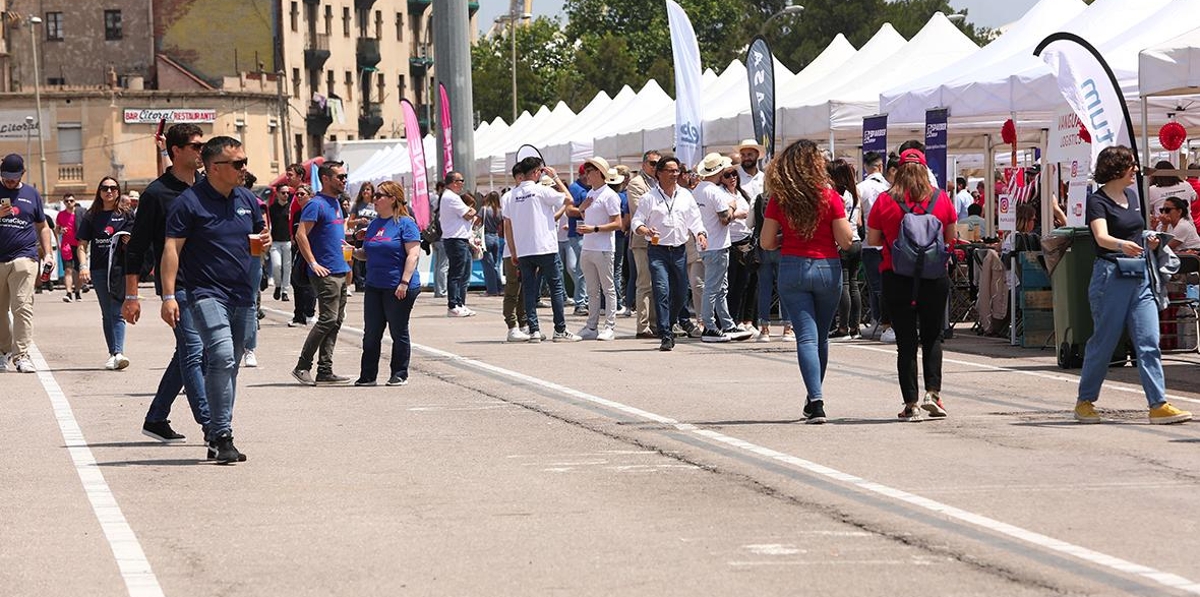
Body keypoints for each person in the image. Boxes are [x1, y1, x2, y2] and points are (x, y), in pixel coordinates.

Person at [160, 136, 268, 464]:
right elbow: (171, 249)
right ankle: (221, 434)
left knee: (230, 365)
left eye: (244, 162)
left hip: (242, 295)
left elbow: (259, 240)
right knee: (220, 357)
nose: (244, 169)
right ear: (215, 167)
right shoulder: (189, 202)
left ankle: (217, 433)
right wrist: (168, 296)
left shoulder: (247, 200)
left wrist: (263, 242)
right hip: (205, 293)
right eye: (238, 164)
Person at [1075, 146, 1192, 425]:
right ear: (1117, 169)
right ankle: (1085, 401)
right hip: (1110, 276)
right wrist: (1121, 245)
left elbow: (1135, 231)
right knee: (1104, 342)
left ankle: (1158, 404)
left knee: (1149, 341)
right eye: (1131, 165)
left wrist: (1148, 240)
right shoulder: (1097, 201)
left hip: (1140, 276)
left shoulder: (1132, 195)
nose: (1136, 170)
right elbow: (1101, 237)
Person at [122, 123, 211, 443]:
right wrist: (132, 295)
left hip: (210, 283)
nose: (202, 151)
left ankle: (156, 417)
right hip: (178, 285)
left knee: (190, 353)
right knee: (193, 349)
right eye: (195, 146)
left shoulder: (208, 186)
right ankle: (212, 425)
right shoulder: (156, 194)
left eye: (203, 145)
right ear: (175, 150)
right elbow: (137, 247)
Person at [760, 140, 853, 424]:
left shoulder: (781, 198)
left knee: (807, 337)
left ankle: (816, 399)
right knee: (821, 337)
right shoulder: (830, 195)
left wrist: (786, 238)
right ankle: (815, 396)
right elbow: (846, 241)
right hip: (826, 267)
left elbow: (765, 242)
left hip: (793, 267)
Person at [867, 147, 956, 422]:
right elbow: (951, 238)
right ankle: (933, 393)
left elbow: (872, 239)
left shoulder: (884, 200)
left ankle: (911, 404)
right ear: (925, 170)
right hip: (934, 277)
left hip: (896, 276)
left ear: (899, 170)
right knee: (932, 337)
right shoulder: (941, 199)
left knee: (906, 342)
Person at [631, 156, 708, 352]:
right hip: (658, 251)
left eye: (677, 171)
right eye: (670, 171)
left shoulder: (685, 196)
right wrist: (645, 230)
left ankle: (671, 322)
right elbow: (636, 221)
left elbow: (695, 219)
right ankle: (665, 334)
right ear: (659, 173)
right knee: (661, 290)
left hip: (680, 251)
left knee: (681, 294)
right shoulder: (649, 198)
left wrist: (700, 233)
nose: (675, 175)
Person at [503, 156, 580, 343]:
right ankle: (560, 329)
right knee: (556, 289)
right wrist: (556, 179)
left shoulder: (509, 195)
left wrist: (513, 251)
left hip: (524, 250)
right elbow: (569, 199)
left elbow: (508, 226)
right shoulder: (542, 190)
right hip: (545, 247)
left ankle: (534, 330)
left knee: (529, 291)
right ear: (537, 172)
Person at [353, 180, 421, 387]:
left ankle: (399, 373)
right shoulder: (373, 225)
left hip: (398, 285)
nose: (375, 199)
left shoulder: (405, 223)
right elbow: (367, 253)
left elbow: (413, 254)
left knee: (398, 330)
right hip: (375, 284)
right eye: (375, 195)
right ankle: (368, 375)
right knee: (371, 332)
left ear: (392, 199)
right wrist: (352, 252)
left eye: (379, 195)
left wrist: (404, 282)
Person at [292, 161, 354, 385]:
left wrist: (347, 255)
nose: (344, 180)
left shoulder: (336, 203)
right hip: (324, 272)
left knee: (336, 321)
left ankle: (325, 371)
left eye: (345, 176)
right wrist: (313, 263)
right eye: (339, 177)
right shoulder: (315, 204)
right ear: (325, 179)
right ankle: (302, 366)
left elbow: (331, 235)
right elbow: (301, 235)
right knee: (327, 319)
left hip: (339, 269)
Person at [0, 153, 53, 373]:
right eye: (6, 177)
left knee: (22, 307)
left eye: (14, 177)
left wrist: (48, 253)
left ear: (22, 173)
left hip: (25, 256)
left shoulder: (32, 194)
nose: (10, 182)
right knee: (0, 310)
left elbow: (43, 226)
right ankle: (3, 351)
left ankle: (21, 355)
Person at [77, 177, 134, 370]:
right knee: (106, 312)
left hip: (119, 269)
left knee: (116, 310)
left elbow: (136, 238)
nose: (108, 191)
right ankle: (113, 353)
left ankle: (118, 353)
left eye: (112, 188)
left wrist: (129, 241)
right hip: (99, 270)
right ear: (99, 192)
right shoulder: (91, 215)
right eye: (104, 188)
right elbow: (82, 245)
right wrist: (83, 266)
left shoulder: (126, 214)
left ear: (118, 192)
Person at [693, 153, 751, 342]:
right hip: (717, 245)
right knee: (714, 287)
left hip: (707, 244)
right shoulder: (715, 192)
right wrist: (733, 208)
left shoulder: (698, 190)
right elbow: (725, 219)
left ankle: (726, 324)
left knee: (719, 287)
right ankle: (710, 326)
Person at [573, 158, 622, 341]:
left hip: (603, 248)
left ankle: (609, 327)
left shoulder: (609, 195)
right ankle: (591, 326)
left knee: (608, 288)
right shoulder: (591, 194)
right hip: (588, 246)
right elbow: (589, 219)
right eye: (586, 171)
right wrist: (582, 210)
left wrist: (594, 229)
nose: (586, 175)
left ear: (599, 173)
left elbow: (617, 223)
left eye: (590, 171)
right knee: (592, 290)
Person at [858, 151, 894, 342]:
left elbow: (858, 218)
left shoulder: (860, 187)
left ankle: (879, 321)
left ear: (866, 167)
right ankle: (884, 322)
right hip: (889, 243)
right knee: (886, 284)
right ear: (881, 166)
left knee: (875, 286)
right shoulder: (890, 187)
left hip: (869, 243)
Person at [625, 150, 662, 338]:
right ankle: (643, 326)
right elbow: (641, 209)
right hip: (642, 240)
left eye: (658, 164)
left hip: (660, 239)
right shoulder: (636, 183)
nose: (656, 167)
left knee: (658, 283)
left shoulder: (659, 182)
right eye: (653, 163)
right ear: (644, 164)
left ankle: (655, 324)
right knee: (644, 283)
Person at [829, 158, 863, 340]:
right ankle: (854, 327)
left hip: (842, 242)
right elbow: (858, 221)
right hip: (856, 240)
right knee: (854, 284)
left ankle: (843, 327)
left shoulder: (837, 195)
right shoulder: (855, 193)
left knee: (844, 284)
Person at [439, 171, 477, 317]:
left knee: (463, 273)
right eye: (460, 180)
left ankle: (460, 303)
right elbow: (468, 214)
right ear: (453, 182)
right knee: (456, 273)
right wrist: (472, 209)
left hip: (460, 239)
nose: (462, 183)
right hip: (455, 239)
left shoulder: (451, 196)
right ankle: (453, 304)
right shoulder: (451, 197)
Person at [1147, 160, 1197, 227]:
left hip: (1164, 230)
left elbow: (1147, 209)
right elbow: (1195, 198)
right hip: (1187, 227)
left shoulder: (1152, 190)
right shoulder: (1186, 185)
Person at [347, 182, 377, 293]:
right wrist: (359, 221)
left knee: (369, 258)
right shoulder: (357, 205)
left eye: (368, 189)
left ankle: (368, 280)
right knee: (358, 260)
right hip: (360, 236)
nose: (365, 191)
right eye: (363, 189)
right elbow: (350, 223)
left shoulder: (376, 204)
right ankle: (360, 282)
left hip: (373, 236)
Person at [56, 194, 81, 302]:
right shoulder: (61, 215)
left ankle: (78, 292)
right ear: (64, 202)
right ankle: (69, 293)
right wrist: (60, 233)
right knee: (68, 270)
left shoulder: (80, 214)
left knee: (78, 270)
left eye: (71, 200)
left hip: (79, 245)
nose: (69, 203)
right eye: (67, 201)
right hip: (66, 245)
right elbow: (56, 230)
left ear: (75, 201)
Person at [479, 190, 505, 296]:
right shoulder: (500, 211)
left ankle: (491, 290)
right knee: (496, 265)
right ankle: (499, 288)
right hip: (496, 237)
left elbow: (477, 221)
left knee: (487, 266)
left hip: (486, 237)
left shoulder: (484, 209)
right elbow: (501, 226)